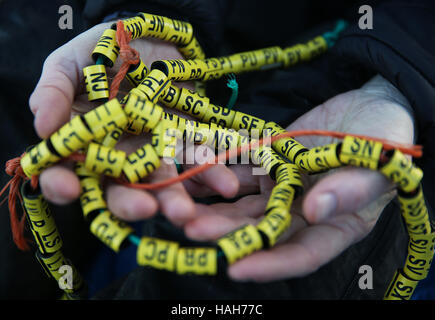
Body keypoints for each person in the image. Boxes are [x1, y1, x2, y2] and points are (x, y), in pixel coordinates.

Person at [1, 0, 434, 299]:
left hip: (376, 83)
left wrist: (400, 86)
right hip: (189, 43)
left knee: (256, 278)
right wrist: (153, 12)